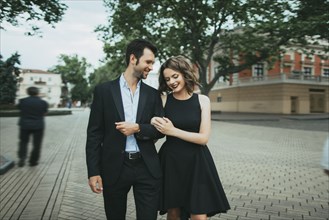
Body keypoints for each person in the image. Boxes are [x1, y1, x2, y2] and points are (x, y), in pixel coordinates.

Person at [86, 39, 164, 220]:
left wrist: (138, 128)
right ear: (133, 59)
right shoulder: (104, 91)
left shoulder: (153, 94)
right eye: (148, 62)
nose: (151, 67)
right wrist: (93, 171)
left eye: (152, 63)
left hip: (147, 167)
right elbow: (94, 134)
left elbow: (160, 130)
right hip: (114, 167)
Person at [151, 55, 230, 220]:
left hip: (197, 162)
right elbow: (153, 126)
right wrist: (152, 120)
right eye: (167, 79)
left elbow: (203, 138)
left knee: (199, 215)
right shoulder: (164, 100)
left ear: (184, 74)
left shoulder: (203, 100)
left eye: (175, 76)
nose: (172, 82)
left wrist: (173, 131)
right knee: (173, 212)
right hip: (171, 162)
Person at [17, 86, 48, 167]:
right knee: (37, 144)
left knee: (23, 142)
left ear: (28, 92)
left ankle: (22, 158)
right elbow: (44, 113)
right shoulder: (43, 102)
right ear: (37, 92)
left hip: (24, 125)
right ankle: (33, 161)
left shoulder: (22, 101)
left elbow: (20, 110)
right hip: (38, 126)